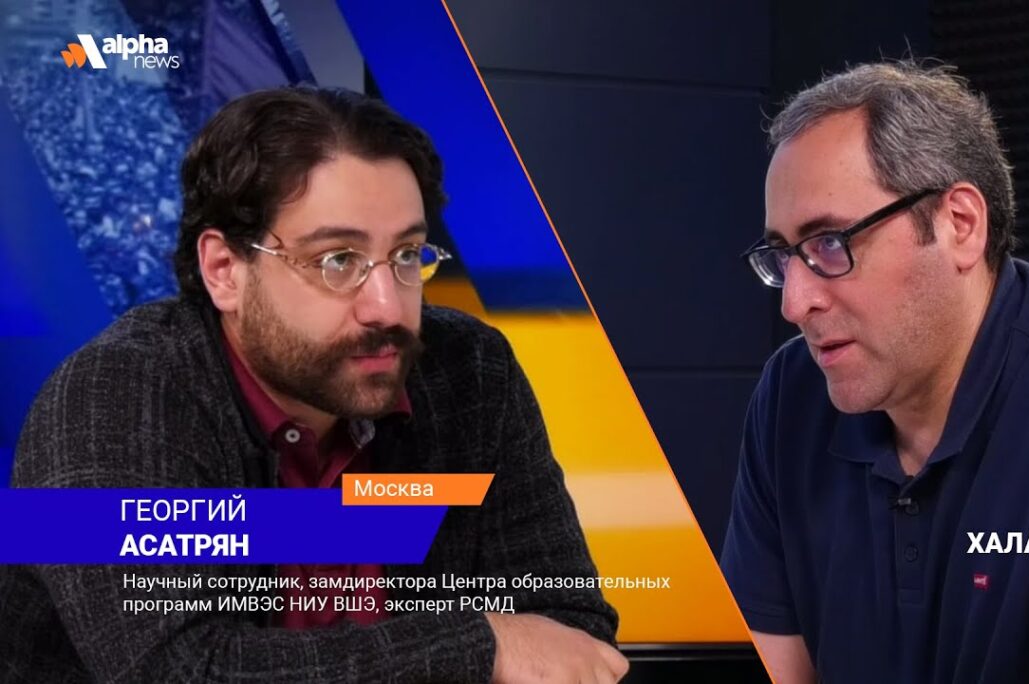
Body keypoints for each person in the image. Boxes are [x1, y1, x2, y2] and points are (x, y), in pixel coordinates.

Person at [3, 86, 628, 684]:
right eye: (338, 261)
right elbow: (181, 670)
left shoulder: (469, 369)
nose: (388, 307)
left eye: (407, 255)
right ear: (224, 270)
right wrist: (477, 645)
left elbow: (571, 633)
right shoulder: (112, 396)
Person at [720, 61, 1029, 683]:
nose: (795, 304)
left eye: (830, 244)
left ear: (960, 224)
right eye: (783, 256)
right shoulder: (792, 395)